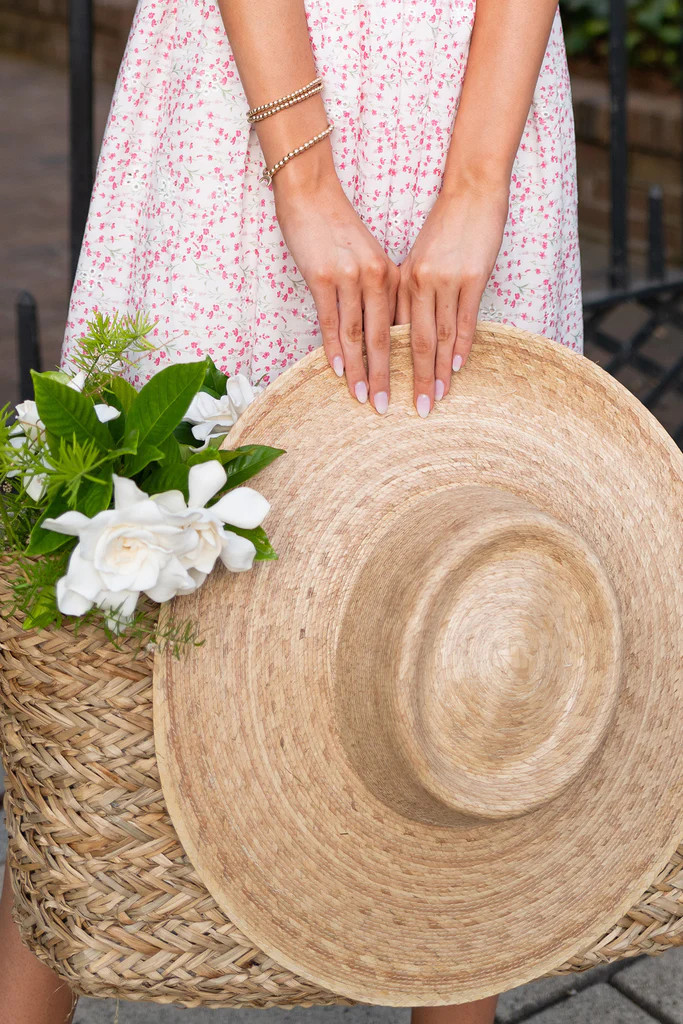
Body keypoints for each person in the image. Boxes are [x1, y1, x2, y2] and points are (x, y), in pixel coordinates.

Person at [1, 0, 582, 1020]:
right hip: (248, 85)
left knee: (469, 623)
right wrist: (305, 180)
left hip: (477, 85)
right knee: (132, 629)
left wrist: (477, 179)